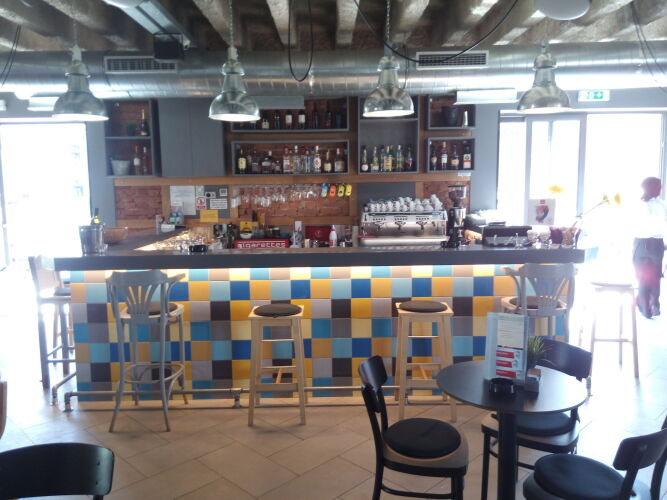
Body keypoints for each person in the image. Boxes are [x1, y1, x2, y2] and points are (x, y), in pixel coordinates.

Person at [633, 177, 667, 319]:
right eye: (658, 186)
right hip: (655, 244)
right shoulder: (662, 205)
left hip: (642, 244)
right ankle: (653, 304)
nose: (660, 189)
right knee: (654, 275)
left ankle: (646, 305)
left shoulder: (638, 205)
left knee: (644, 276)